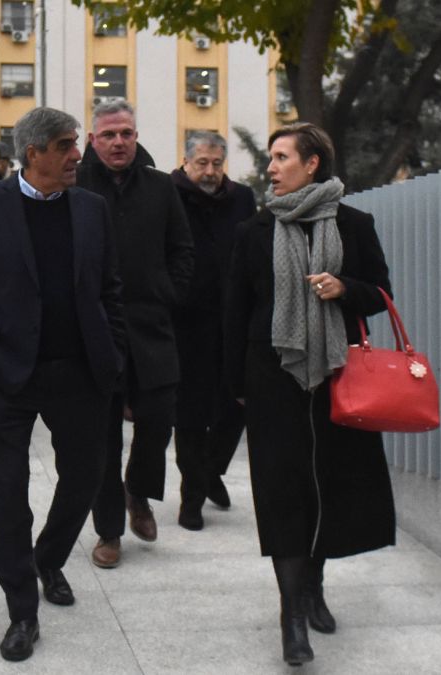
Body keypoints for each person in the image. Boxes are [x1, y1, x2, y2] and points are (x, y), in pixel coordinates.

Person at [0, 107, 125, 662]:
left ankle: (48, 558)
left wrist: (112, 354)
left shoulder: (92, 208)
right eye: (68, 145)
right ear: (35, 152)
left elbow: (110, 290)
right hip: (5, 376)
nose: (78, 154)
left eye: (76, 144)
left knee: (86, 477)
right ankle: (22, 609)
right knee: (6, 494)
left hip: (79, 374)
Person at [224, 122, 395, 666]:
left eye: (281, 157)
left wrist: (346, 288)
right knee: (282, 492)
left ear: (312, 163)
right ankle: (290, 616)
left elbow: (381, 294)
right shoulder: (253, 231)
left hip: (338, 376)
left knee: (329, 485)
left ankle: (312, 585)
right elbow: (233, 315)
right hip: (271, 376)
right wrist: (233, 386)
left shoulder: (353, 224)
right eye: (271, 158)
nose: (271, 167)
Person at [77, 99, 193, 569]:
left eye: (126, 133)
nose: (119, 142)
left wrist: (168, 292)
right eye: (108, 135)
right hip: (96, 331)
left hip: (152, 327)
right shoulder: (75, 185)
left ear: (136, 135)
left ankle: (139, 491)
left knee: (158, 421)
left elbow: (183, 249)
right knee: (101, 437)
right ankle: (108, 531)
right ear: (92, 140)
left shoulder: (161, 187)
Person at [170, 131, 256, 529]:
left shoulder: (241, 198)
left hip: (232, 318)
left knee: (234, 404)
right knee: (189, 414)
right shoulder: (168, 194)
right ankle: (192, 497)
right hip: (183, 321)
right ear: (186, 162)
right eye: (202, 163)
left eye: (217, 164)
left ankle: (210, 472)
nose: (210, 172)